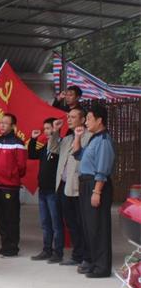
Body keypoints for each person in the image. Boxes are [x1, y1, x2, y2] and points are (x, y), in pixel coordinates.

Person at [72, 105, 115, 278]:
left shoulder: (104, 140)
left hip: (96, 185)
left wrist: (97, 192)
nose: (86, 122)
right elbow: (78, 154)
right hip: (86, 184)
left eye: (89, 118)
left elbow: (102, 169)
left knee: (98, 227)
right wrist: (77, 136)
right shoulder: (93, 138)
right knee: (88, 226)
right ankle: (92, 262)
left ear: (99, 120)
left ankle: (102, 267)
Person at [48, 108, 92, 270]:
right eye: (68, 117)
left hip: (78, 186)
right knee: (71, 223)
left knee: (81, 223)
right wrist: (55, 132)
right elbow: (53, 149)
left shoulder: (89, 137)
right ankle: (77, 254)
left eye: (73, 117)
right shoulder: (67, 138)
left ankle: (86, 255)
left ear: (83, 120)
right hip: (63, 185)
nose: (69, 119)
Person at [0, 113, 27, 258]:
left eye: (6, 123)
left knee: (11, 218)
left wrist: (11, 175)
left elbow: (22, 167)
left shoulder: (18, 143)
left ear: (13, 126)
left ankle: (12, 248)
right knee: (0, 219)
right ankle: (5, 246)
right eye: (1, 122)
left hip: (10, 187)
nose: (2, 125)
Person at [28, 118, 63, 263]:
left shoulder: (61, 145)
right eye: (45, 129)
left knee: (56, 223)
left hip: (53, 191)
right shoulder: (45, 147)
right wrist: (33, 139)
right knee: (45, 223)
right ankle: (46, 250)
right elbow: (32, 154)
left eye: (49, 128)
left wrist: (55, 132)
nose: (47, 132)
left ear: (56, 128)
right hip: (42, 190)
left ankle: (58, 252)